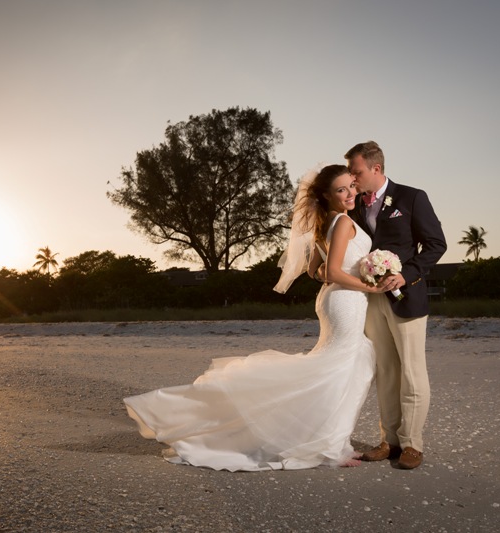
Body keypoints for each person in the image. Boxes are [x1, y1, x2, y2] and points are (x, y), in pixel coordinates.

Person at [124, 165, 381, 471]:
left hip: (334, 300)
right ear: (327, 195)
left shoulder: (325, 223)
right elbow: (335, 271)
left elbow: (316, 271)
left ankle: (333, 443)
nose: (351, 193)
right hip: (346, 301)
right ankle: (329, 447)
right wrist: (371, 284)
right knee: (338, 369)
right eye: (342, 189)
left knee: (339, 367)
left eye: (351, 185)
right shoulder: (341, 223)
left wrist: (350, 272)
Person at [345, 141, 447, 469]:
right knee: (385, 371)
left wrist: (407, 274)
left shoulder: (412, 197)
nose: (352, 177)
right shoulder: (354, 206)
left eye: (356, 170)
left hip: (407, 297)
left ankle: (412, 443)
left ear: (376, 168)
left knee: (413, 372)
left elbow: (436, 244)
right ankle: (389, 441)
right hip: (370, 300)